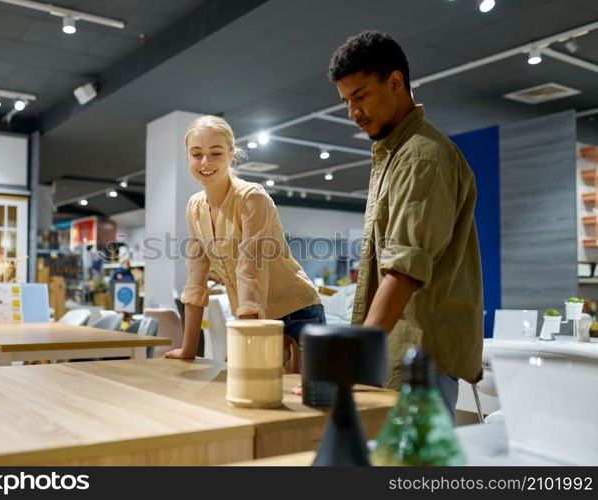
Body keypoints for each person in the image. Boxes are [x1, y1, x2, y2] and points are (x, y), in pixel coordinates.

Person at [328, 31, 483, 417]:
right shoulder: (395, 154)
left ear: (395, 82)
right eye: (346, 101)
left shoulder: (421, 158)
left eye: (360, 96)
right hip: (398, 352)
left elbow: (403, 271)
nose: (353, 112)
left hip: (418, 360)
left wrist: (352, 364)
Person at [165, 115, 324, 360]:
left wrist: (245, 342)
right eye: (196, 154)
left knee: (306, 397)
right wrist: (188, 351)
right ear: (187, 155)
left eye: (216, 153)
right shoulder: (194, 207)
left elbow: (251, 271)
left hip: (297, 315)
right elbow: (196, 280)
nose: (205, 162)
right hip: (253, 318)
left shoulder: (251, 198)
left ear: (231, 153)